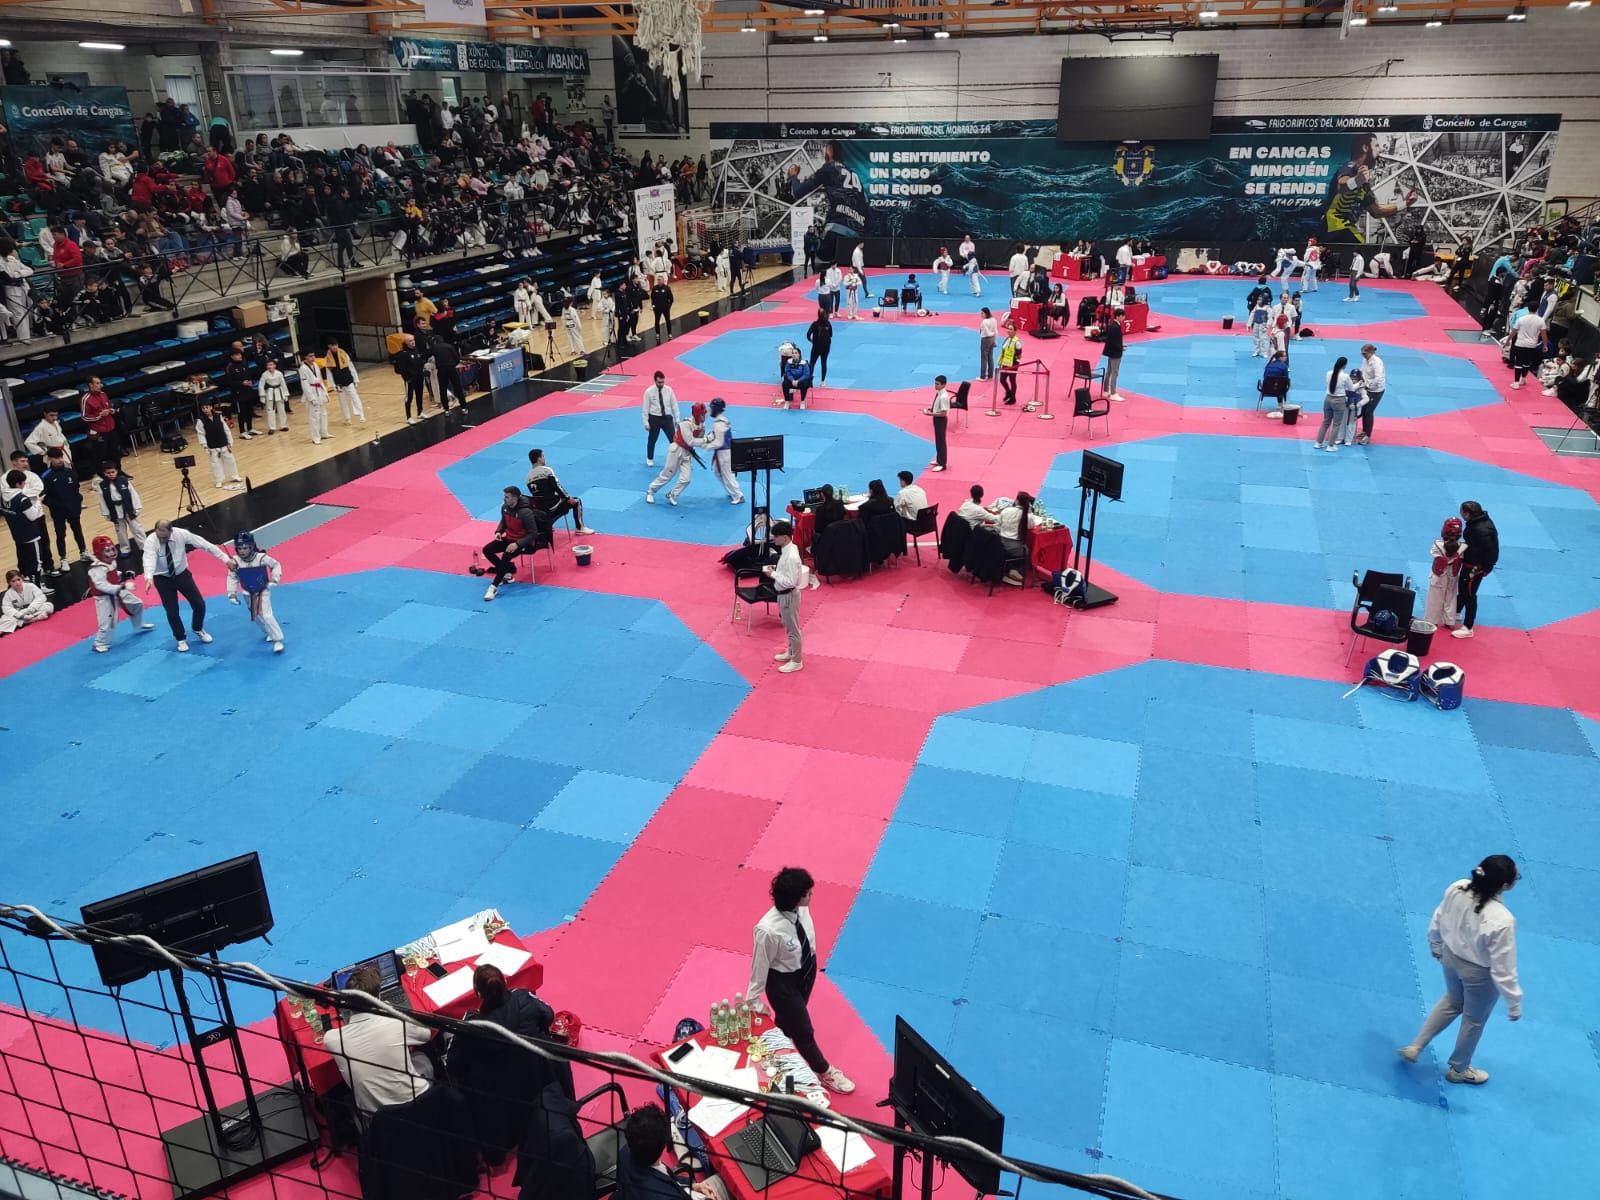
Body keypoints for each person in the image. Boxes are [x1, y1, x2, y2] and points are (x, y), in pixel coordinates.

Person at [1397, 855, 1521, 1086]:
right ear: (1504, 885)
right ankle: (1459, 1069)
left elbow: (1439, 917)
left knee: (1452, 1001)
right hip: (1479, 974)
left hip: (1450, 957)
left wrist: (1435, 944)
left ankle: (1416, 1045)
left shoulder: (1458, 887)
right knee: (1473, 1020)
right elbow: (1504, 967)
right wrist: (1513, 1002)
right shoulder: (1503, 919)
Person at [745, 867, 852, 1089]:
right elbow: (759, 965)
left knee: (786, 1025)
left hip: (807, 971)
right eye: (807, 893)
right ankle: (824, 1070)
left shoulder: (800, 910)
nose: (811, 895)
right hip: (783, 984)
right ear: (795, 898)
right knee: (803, 1030)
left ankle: (770, 1057)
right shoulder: (768, 930)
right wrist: (754, 1001)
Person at [322, 965, 434, 1116]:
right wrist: (391, 1011)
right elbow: (425, 1035)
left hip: (377, 1118)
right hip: (417, 1103)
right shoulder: (395, 1022)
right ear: (379, 997)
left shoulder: (332, 1039)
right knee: (423, 1058)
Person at [142, 520, 233, 651]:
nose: (162, 539)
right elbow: (148, 559)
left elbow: (205, 545)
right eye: (159, 536)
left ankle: (198, 628)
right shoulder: (151, 541)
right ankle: (180, 639)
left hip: (181, 574)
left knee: (199, 604)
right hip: (162, 579)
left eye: (165, 537)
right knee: (172, 611)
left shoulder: (181, 534)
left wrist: (226, 559)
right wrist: (149, 577)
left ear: (171, 531)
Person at [785, 140, 867, 270]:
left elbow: (798, 192)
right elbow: (864, 205)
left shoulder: (829, 168)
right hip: (857, 233)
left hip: (837, 228)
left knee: (819, 261)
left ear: (829, 151)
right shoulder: (854, 173)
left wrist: (793, 176)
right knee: (848, 270)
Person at [616, 1105, 727, 1200]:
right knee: (724, 1182)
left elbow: (669, 1179)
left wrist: (693, 1185)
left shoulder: (625, 1153)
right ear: (663, 1145)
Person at [471, 486, 547, 600]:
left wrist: (517, 544)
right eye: (504, 496)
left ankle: (493, 587)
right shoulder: (505, 508)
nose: (504, 499)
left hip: (525, 543)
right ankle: (506, 573)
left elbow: (533, 534)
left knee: (506, 556)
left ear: (515, 498)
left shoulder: (525, 513)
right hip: (509, 539)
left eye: (507, 497)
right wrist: (499, 531)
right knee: (487, 550)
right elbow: (503, 522)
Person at [87, 535, 152, 652]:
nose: (111, 553)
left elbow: (112, 574)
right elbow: (102, 585)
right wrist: (122, 586)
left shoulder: (110, 562)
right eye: (107, 550)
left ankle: (138, 624)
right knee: (108, 622)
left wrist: (123, 574)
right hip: (104, 598)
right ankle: (99, 643)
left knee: (136, 604)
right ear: (99, 552)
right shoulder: (96, 568)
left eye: (112, 549)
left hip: (117, 591)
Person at [226, 528, 284, 653]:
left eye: (245, 548)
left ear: (252, 546)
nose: (242, 551)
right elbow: (232, 577)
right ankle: (268, 632)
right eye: (239, 548)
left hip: (263, 590)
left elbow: (276, 564)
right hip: (248, 592)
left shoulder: (261, 557)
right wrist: (232, 593)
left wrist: (275, 578)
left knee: (266, 615)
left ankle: (278, 639)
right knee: (256, 616)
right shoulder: (235, 562)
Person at [646, 404, 707, 506]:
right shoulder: (685, 423)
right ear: (696, 415)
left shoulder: (702, 426)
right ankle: (651, 491)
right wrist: (706, 440)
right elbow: (690, 441)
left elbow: (700, 442)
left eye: (704, 415)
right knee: (667, 475)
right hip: (677, 450)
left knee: (686, 479)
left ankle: (672, 494)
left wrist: (710, 441)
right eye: (701, 415)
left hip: (688, 453)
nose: (704, 417)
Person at [1454, 501, 1498, 639]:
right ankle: (1456, 612)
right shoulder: (1478, 522)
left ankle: (1468, 627)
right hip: (1470, 562)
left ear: (1467, 513)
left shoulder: (1481, 529)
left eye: (1462, 512)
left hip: (1475, 567)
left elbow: (1491, 550)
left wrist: (1487, 567)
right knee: (1463, 589)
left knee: (1469, 594)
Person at [526, 449, 597, 533]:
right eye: (543, 456)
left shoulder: (528, 477)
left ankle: (547, 525)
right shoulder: (547, 470)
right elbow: (557, 487)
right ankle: (580, 528)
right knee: (576, 501)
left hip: (540, 509)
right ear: (539, 458)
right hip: (553, 505)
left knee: (550, 502)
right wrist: (567, 498)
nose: (545, 458)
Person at [40, 449, 86, 562]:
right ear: (50, 459)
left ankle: (83, 552)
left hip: (73, 509)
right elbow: (43, 496)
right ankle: (63, 558)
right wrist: (55, 505)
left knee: (78, 531)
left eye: (60, 457)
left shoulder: (70, 472)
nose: (59, 460)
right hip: (58, 512)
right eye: (56, 458)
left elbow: (76, 488)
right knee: (60, 535)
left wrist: (78, 502)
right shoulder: (46, 476)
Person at [3, 470, 51, 579]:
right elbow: (33, 516)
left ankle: (28, 580)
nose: (25, 485)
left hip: (17, 535)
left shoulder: (3, 498)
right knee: (36, 562)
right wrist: (38, 501)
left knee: (25, 559)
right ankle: (38, 585)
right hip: (30, 535)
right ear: (18, 484)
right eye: (24, 483)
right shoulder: (22, 499)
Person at [1423, 516, 1465, 630]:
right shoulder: (1463, 547)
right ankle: (1450, 621)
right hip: (1452, 575)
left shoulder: (1437, 546)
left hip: (1439, 575)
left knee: (1435, 598)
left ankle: (1431, 620)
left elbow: (1437, 557)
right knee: (1450, 598)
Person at [195, 401, 244, 491]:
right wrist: (205, 446)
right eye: (203, 408)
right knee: (215, 464)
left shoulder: (219, 416)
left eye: (206, 407)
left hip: (223, 443)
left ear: (210, 407)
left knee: (230, 460)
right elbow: (201, 434)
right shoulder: (200, 421)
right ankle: (218, 480)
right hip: (212, 446)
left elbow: (226, 430)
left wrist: (230, 442)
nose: (205, 410)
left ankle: (234, 476)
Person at [96, 465, 145, 554]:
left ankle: (143, 545)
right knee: (120, 531)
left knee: (137, 528)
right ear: (104, 473)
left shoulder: (124, 480)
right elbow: (102, 500)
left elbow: (133, 494)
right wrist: (106, 513)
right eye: (108, 473)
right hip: (115, 510)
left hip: (128, 508)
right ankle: (125, 549)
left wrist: (137, 507)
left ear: (117, 471)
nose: (111, 474)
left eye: (113, 472)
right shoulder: (102, 485)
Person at [703, 399, 743, 505]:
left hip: (724, 453)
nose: (709, 410)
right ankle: (732, 491)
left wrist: (706, 446)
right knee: (717, 472)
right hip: (724, 451)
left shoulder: (719, 424)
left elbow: (719, 442)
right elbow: (716, 436)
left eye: (711, 408)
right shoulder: (721, 421)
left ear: (715, 409)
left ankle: (738, 495)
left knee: (727, 474)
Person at [995, 491, 1038, 587]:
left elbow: (997, 526)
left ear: (1017, 500)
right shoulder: (1028, 516)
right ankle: (1016, 570)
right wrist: (1030, 512)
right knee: (1027, 551)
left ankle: (1009, 569)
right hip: (1015, 547)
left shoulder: (1006, 510)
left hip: (999, 543)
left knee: (1016, 550)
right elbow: (1032, 526)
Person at [1314, 356, 1355, 453]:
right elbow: (1352, 388)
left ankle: (1318, 442)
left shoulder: (1328, 373)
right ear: (1345, 365)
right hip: (1339, 400)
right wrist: (1360, 384)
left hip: (1328, 399)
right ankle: (1330, 445)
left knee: (1325, 422)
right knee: (1336, 424)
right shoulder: (1345, 376)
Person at [323, 340, 366, 426]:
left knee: (354, 397)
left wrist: (355, 379)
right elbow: (329, 373)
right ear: (329, 346)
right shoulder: (328, 358)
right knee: (342, 400)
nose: (335, 347)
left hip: (348, 379)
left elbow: (351, 367)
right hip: (338, 381)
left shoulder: (343, 353)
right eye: (333, 345)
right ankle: (347, 418)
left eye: (336, 344)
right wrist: (333, 385)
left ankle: (361, 415)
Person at [641, 371, 679, 467]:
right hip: (654, 418)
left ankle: (676, 459)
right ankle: (649, 458)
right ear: (655, 381)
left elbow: (674, 405)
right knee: (652, 439)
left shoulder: (669, 390)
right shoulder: (649, 392)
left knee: (674, 440)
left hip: (667, 417)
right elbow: (645, 408)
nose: (661, 384)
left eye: (663, 382)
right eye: (659, 382)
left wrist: (677, 419)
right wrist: (646, 422)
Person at [0, 569, 52, 636]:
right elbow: (6, 608)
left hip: (33, 609)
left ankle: (23, 622)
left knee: (49, 606)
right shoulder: (8, 594)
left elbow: (41, 597)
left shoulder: (30, 586)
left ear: (22, 578)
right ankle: (36, 618)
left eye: (18, 579)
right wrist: (21, 615)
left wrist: (31, 609)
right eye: (13, 581)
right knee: (7, 618)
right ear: (9, 583)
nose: (17, 583)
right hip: (21, 614)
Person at [1508, 305, 1546, 390]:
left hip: (1520, 344)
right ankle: (1523, 379)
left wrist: (1508, 341)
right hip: (1532, 345)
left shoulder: (1521, 319)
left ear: (1528, 309)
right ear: (1537, 309)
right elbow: (1543, 334)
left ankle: (1516, 383)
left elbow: (1514, 332)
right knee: (1526, 363)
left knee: (1519, 363)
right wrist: (1545, 345)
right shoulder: (1540, 320)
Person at [297, 351, 332, 444]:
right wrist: (311, 398)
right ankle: (315, 437)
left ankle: (324, 433)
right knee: (314, 417)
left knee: (323, 413)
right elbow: (305, 385)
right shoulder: (303, 368)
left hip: (319, 390)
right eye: (310, 356)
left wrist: (325, 393)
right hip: (311, 391)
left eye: (314, 355)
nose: (313, 358)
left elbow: (320, 380)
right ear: (305, 357)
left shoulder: (315, 365)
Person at [1357, 344, 1386, 444]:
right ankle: (1365, 431)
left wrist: (1369, 385)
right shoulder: (1365, 360)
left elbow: (1379, 378)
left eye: (1365, 354)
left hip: (1376, 390)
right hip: (1366, 388)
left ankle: (1367, 436)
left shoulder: (1377, 362)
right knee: (1364, 410)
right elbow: (1362, 371)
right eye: (1362, 354)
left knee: (1369, 411)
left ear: (1370, 353)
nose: (1363, 356)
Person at [925, 374, 951, 472]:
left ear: (944, 385)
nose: (935, 386)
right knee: (938, 440)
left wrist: (931, 414)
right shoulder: (939, 393)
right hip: (936, 418)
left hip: (940, 420)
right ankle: (939, 459)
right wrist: (931, 409)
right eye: (935, 383)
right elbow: (938, 406)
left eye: (937, 384)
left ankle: (942, 463)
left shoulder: (943, 396)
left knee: (941, 441)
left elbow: (944, 413)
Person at [258, 358, 291, 434]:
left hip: (279, 392)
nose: (270, 366)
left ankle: (283, 425)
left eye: (271, 364)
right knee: (270, 411)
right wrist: (262, 396)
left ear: (275, 365)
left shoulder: (279, 373)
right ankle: (271, 427)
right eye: (268, 365)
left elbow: (283, 384)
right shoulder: (264, 374)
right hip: (270, 393)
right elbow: (261, 385)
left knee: (281, 410)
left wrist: (286, 394)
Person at [1101, 309, 1126, 401]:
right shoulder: (1116, 327)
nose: (1124, 317)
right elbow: (1115, 341)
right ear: (1118, 316)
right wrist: (1121, 347)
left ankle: (1106, 390)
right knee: (1115, 372)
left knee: (1109, 371)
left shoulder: (1112, 325)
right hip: (1115, 353)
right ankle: (1113, 393)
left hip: (1111, 352)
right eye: (1123, 316)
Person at [806, 306, 833, 385]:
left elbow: (808, 335)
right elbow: (831, 334)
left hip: (816, 346)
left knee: (812, 362)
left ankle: (809, 380)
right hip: (826, 346)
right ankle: (823, 381)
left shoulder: (815, 324)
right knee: (824, 362)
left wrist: (812, 341)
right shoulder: (828, 324)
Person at [998, 324, 1023, 405]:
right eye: (1008, 329)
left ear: (1015, 331)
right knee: (1002, 380)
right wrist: (1000, 362)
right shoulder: (1006, 339)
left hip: (1013, 365)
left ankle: (1013, 398)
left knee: (1012, 381)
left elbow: (1019, 356)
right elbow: (1003, 352)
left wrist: (1015, 366)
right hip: (1005, 363)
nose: (1009, 330)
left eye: (1011, 329)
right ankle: (1008, 392)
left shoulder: (1017, 342)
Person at [1261, 351, 1291, 418]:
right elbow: (1286, 379)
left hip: (1266, 389)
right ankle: (1281, 404)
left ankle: (1280, 404)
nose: (1286, 357)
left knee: (1278, 383)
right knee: (1282, 384)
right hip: (1280, 390)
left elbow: (1264, 377)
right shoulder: (1284, 367)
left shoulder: (1269, 365)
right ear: (1280, 358)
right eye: (1285, 356)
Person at [649, 278, 673, 342]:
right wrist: (653, 306)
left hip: (665, 308)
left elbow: (671, 299)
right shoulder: (655, 288)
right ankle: (657, 334)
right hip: (657, 308)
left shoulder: (667, 288)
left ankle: (669, 333)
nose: (659, 281)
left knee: (667, 320)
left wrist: (668, 306)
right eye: (658, 280)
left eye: (660, 280)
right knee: (657, 321)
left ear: (663, 281)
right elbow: (652, 298)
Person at [978, 308, 998, 382]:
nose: (981, 314)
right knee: (990, 357)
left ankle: (982, 376)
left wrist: (991, 334)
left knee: (984, 358)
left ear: (986, 313)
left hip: (986, 339)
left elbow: (987, 333)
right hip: (992, 339)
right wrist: (995, 340)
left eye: (982, 313)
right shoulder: (994, 320)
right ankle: (990, 374)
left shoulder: (984, 322)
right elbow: (996, 331)